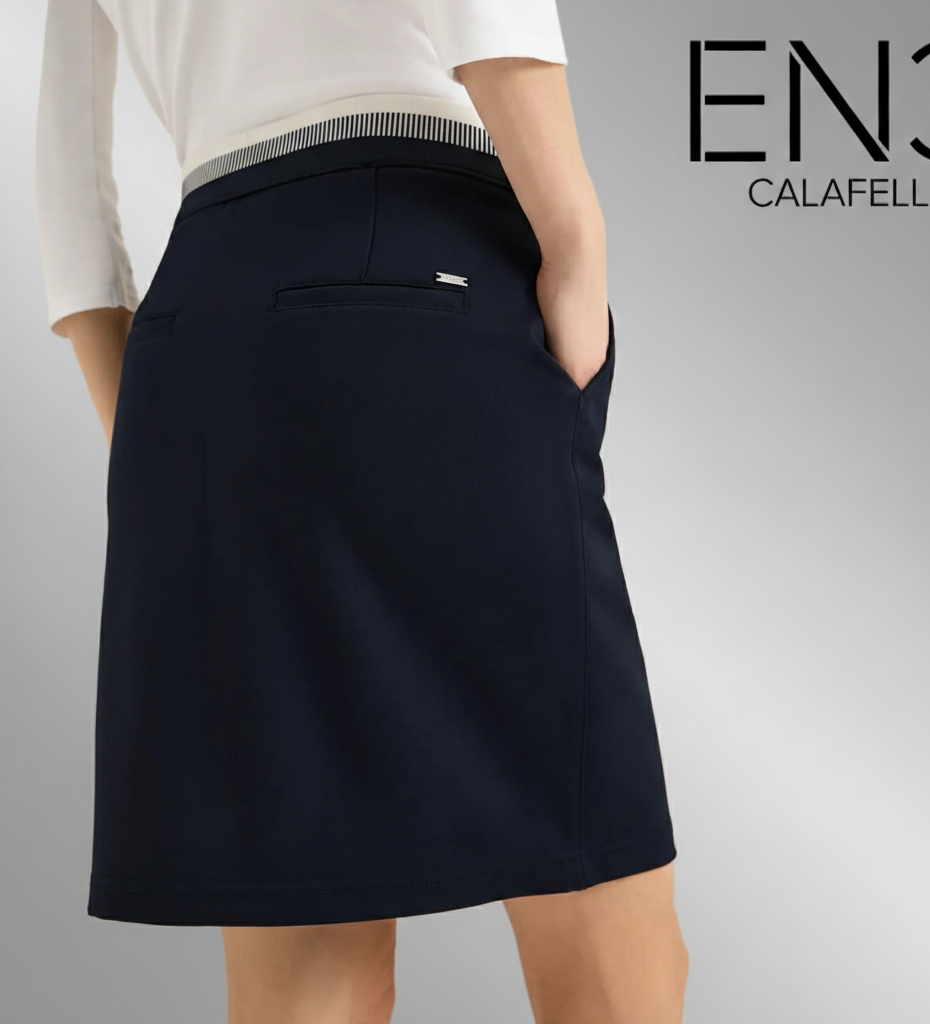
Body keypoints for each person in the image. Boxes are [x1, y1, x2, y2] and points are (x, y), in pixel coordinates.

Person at [34, 1, 689, 1020]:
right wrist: (574, 239)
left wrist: (160, 441)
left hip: (198, 329)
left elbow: (64, 176)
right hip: (418, 263)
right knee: (602, 919)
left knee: (306, 959)